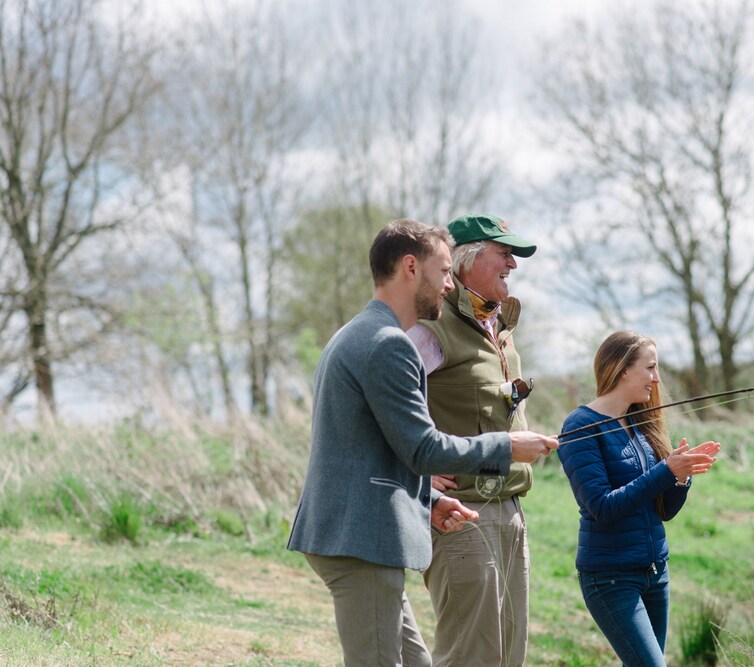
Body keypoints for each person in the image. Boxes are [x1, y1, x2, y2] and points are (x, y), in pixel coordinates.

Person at [286, 218, 559, 667]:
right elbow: (423, 449)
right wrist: (507, 447)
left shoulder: (358, 333)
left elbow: (377, 446)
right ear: (412, 268)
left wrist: (428, 498)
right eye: (445, 271)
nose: (449, 286)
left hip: (361, 533)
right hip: (362, 537)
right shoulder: (388, 344)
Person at [406, 213, 537, 666]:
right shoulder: (431, 331)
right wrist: (415, 478)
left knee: (506, 656)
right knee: (470, 657)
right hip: (459, 519)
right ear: (465, 262)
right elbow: (374, 403)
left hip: (511, 514)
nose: (513, 264)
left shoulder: (501, 331)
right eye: (504, 253)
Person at [557, 331, 721, 667]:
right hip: (610, 579)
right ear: (622, 369)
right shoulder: (580, 427)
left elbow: (664, 511)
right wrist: (664, 471)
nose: (656, 378)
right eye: (650, 367)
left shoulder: (641, 423)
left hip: (656, 573)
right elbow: (602, 507)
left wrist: (681, 476)